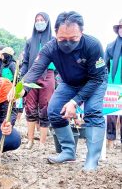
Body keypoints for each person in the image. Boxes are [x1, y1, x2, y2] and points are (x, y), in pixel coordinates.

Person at [10, 11, 108, 171]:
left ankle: (92, 160)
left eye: (73, 39)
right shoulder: (50, 48)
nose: (67, 44)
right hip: (69, 82)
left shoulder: (92, 45)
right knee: (54, 110)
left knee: (93, 112)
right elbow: (35, 70)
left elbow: (96, 79)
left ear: (81, 33)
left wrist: (75, 102)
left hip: (94, 81)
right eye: (62, 39)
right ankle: (68, 151)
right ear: (56, 33)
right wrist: (21, 89)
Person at [20, 12, 55, 149]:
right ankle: (30, 140)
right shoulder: (30, 41)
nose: (39, 22)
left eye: (42, 20)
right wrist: (22, 77)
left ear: (47, 22)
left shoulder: (53, 40)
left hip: (48, 75)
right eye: (37, 20)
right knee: (30, 107)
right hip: (31, 75)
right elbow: (25, 61)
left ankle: (42, 142)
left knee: (45, 107)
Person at [105, 18, 122, 147]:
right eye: (121, 27)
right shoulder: (110, 47)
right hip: (113, 86)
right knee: (111, 114)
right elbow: (104, 66)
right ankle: (110, 140)